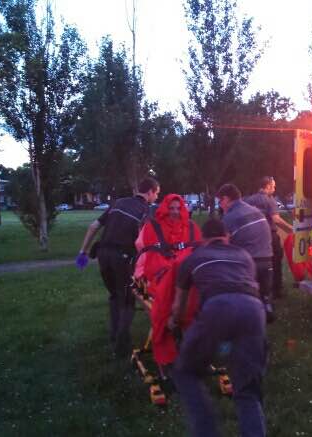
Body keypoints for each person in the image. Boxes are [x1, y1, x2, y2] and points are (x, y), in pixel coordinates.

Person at [170, 218, 267, 437]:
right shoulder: (244, 256)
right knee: (248, 391)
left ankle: (206, 430)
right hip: (254, 310)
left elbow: (178, 307)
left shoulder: (193, 258)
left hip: (217, 308)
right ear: (227, 237)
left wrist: (174, 321)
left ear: (203, 239)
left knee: (185, 371)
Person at [76, 177, 160, 358]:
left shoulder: (118, 203)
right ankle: (121, 347)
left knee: (114, 295)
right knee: (127, 300)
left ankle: (114, 337)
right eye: (157, 193)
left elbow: (93, 226)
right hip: (122, 257)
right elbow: (143, 242)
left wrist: (83, 252)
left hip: (103, 255)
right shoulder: (146, 211)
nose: (156, 197)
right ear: (150, 192)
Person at [133, 194, 202, 372]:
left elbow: (199, 250)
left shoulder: (191, 227)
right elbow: (145, 253)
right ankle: (170, 347)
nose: (175, 212)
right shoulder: (152, 227)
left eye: (178, 208)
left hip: (186, 270)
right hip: (162, 271)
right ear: (164, 209)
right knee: (168, 291)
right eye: (171, 208)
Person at [216, 183, 275, 322]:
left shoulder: (229, 217)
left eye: (220, 201)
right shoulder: (256, 211)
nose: (220, 205)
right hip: (268, 260)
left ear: (226, 199)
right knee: (263, 293)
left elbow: (223, 245)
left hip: (249, 264)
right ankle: (266, 305)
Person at [244, 176, 293, 299]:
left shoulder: (249, 200)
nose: (275, 189)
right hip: (270, 236)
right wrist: (291, 229)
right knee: (276, 261)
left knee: (257, 262)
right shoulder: (269, 200)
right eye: (273, 186)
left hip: (253, 236)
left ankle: (256, 289)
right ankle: (277, 291)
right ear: (268, 186)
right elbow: (276, 219)